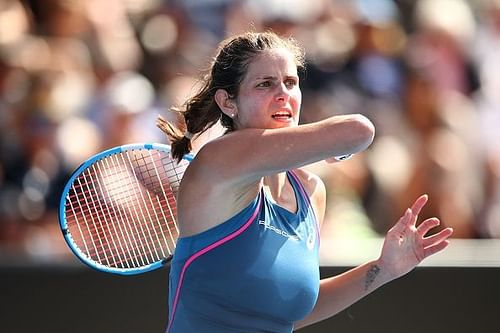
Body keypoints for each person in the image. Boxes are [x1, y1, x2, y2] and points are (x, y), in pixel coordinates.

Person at [157, 31, 453, 333]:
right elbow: (359, 131)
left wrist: (383, 269)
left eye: (291, 82)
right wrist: (326, 150)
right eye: (265, 84)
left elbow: (289, 313)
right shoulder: (219, 160)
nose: (283, 93)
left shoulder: (311, 192)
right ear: (228, 102)